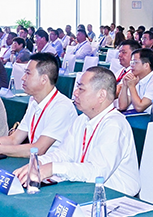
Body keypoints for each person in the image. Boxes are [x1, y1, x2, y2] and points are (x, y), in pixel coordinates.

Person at [14, 67, 140, 196]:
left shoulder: (114, 125)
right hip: (86, 189)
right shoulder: (82, 119)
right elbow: (64, 154)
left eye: (81, 89)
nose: (75, 93)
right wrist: (38, 163)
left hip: (114, 196)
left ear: (101, 95)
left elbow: (97, 173)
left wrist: (52, 168)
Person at [0, 53, 77, 159]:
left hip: (55, 166)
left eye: (28, 73)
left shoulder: (62, 107)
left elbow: (38, 149)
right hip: (38, 162)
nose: (23, 78)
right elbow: (14, 139)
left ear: (44, 79)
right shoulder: (34, 101)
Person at [118, 48, 153, 120]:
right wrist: (125, 86)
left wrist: (131, 86)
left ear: (146, 65)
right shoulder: (135, 78)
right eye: (131, 62)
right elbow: (122, 106)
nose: (131, 65)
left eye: (135, 62)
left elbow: (139, 107)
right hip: (143, 118)